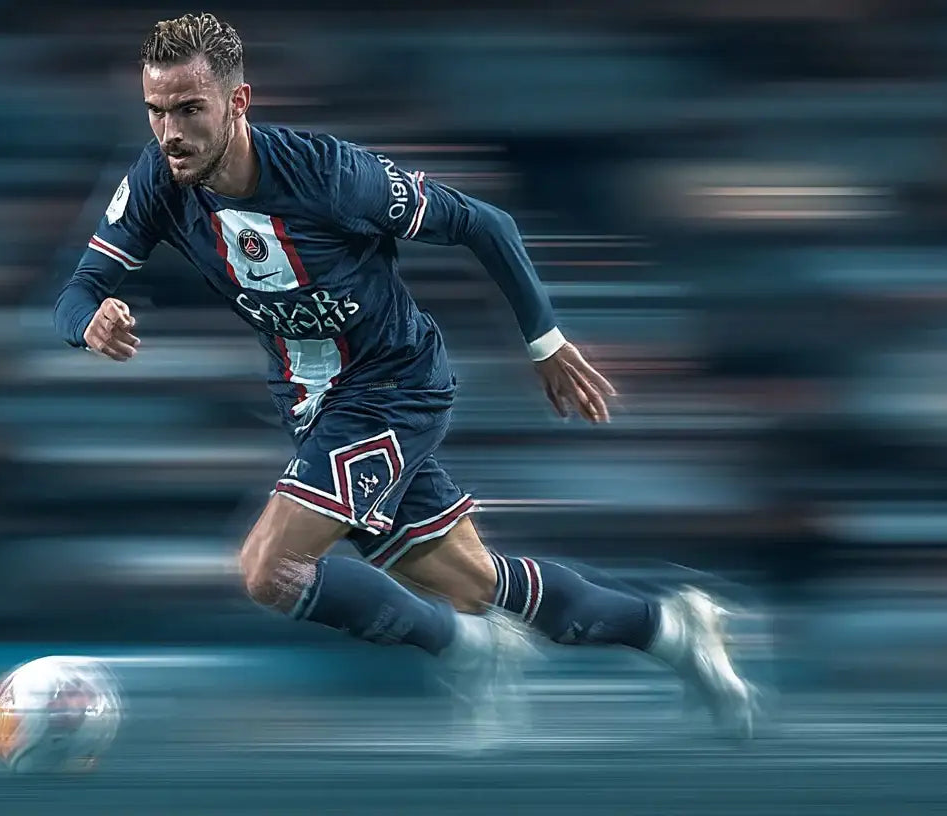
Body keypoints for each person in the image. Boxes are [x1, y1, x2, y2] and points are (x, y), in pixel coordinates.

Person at [53, 12, 756, 745]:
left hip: (392, 387)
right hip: (314, 404)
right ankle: (673, 629)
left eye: (189, 109)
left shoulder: (331, 177)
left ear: (238, 103)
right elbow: (78, 288)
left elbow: (484, 224)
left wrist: (545, 342)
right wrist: (91, 322)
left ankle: (470, 649)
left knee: (270, 569)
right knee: (477, 583)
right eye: (156, 111)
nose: (170, 132)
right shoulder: (159, 182)